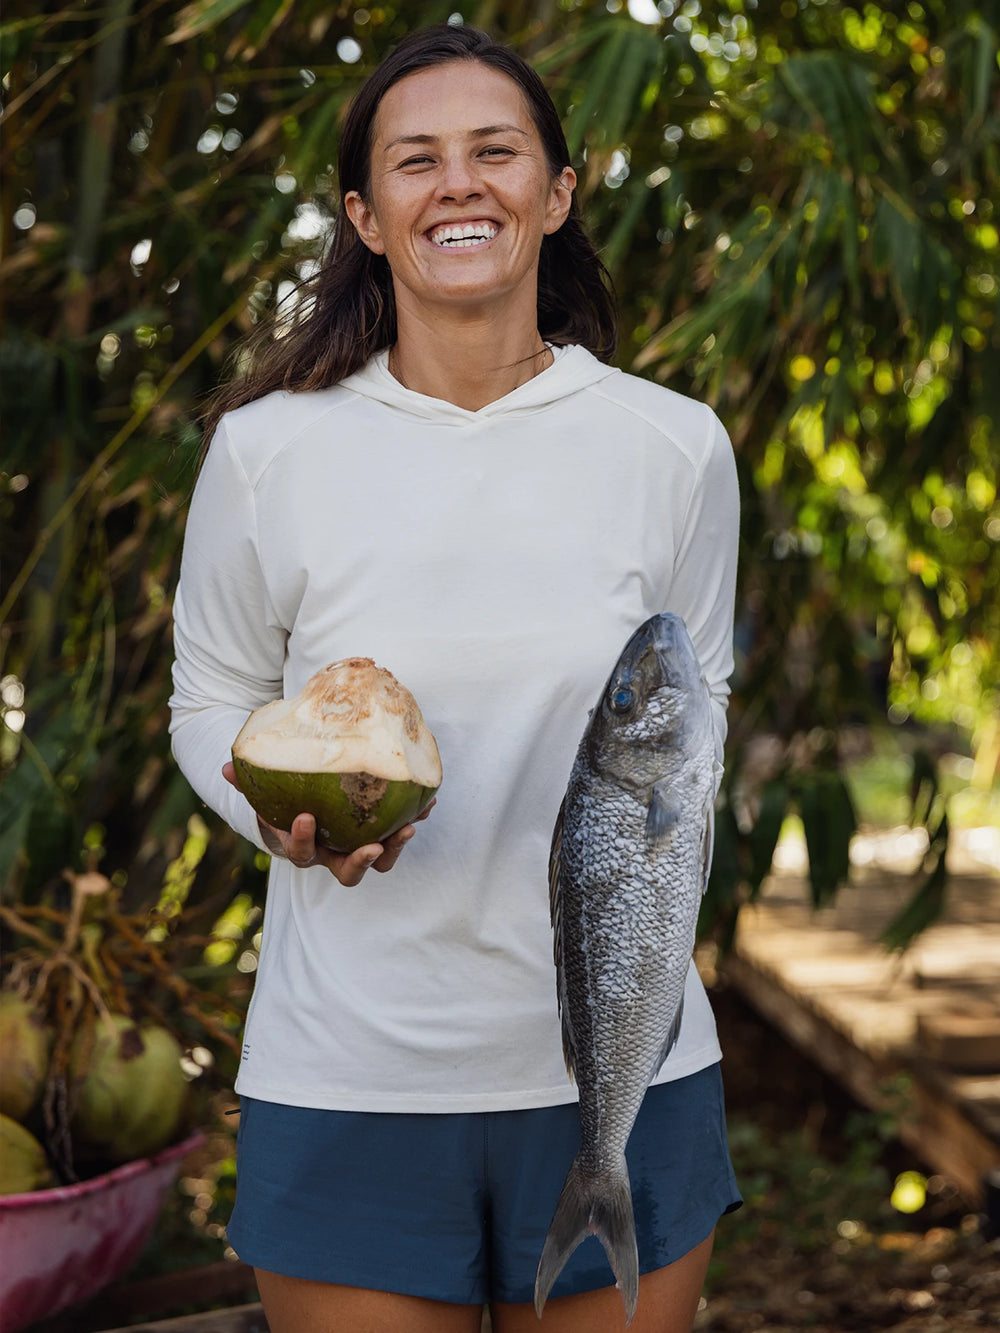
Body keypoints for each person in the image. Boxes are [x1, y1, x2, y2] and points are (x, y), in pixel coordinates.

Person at [169, 23, 741, 1333]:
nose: (461, 184)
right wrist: (274, 816)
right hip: (352, 1069)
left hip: (626, 1073)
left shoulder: (672, 447)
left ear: (559, 190)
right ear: (368, 215)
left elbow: (690, 737)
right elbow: (208, 701)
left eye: (497, 151)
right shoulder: (267, 451)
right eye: (417, 161)